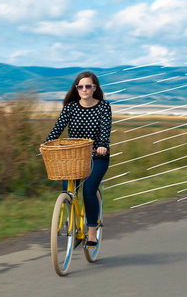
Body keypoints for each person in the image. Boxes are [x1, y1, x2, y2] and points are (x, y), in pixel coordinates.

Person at [42, 71, 112, 247]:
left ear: (94, 88)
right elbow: (57, 129)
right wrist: (46, 144)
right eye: (80, 86)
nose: (84, 89)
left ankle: (91, 231)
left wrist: (102, 145)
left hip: (98, 155)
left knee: (88, 189)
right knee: (68, 191)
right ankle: (72, 225)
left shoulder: (104, 107)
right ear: (77, 89)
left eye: (88, 86)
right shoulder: (71, 108)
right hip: (75, 157)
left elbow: (105, 131)